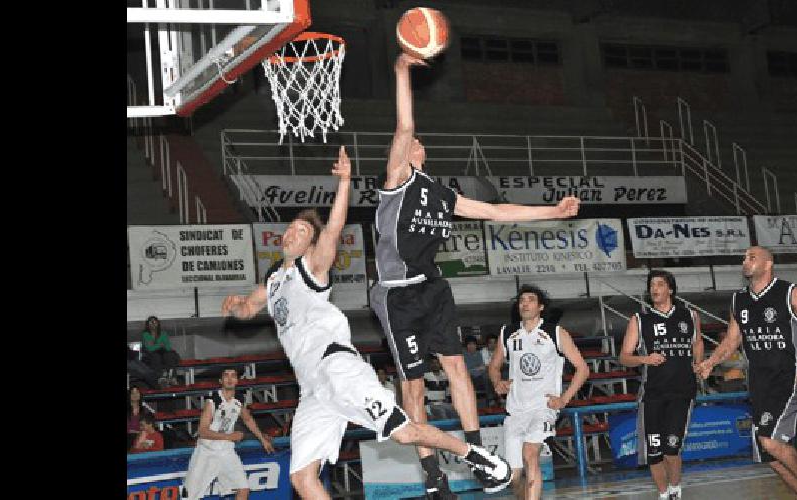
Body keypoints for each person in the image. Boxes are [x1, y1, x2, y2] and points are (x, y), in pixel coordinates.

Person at [221, 147, 512, 499]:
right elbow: (249, 309)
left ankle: (475, 455)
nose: (291, 234)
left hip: (337, 367)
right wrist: (235, 306)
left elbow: (334, 228)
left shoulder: (312, 268)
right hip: (311, 388)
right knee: (302, 478)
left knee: (404, 433)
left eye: (300, 231)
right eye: (290, 229)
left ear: (311, 244)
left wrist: (344, 182)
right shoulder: (272, 283)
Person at [368, 52, 579, 499]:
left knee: (459, 370)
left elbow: (495, 210)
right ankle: (433, 477)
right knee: (414, 388)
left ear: (424, 153)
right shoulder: (395, 183)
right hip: (395, 296)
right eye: (409, 143)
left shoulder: (443, 195)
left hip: (432, 290)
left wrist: (552, 213)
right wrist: (402, 71)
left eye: (418, 143)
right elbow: (404, 127)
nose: (412, 144)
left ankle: (479, 453)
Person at [697, 246, 797, 500]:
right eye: (744, 258)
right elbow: (731, 341)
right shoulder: (738, 300)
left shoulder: (791, 293)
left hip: (792, 376)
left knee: (770, 441)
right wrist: (711, 362)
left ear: (768, 263)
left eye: (752, 257)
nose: (745, 261)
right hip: (760, 381)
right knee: (770, 456)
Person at [487, 285, 590, 500]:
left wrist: (564, 399)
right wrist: (498, 383)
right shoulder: (507, 333)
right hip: (516, 410)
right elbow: (494, 366)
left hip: (543, 408)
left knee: (530, 454)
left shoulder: (555, 332)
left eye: (530, 299)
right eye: (522, 300)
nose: (525, 303)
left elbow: (583, 368)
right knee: (514, 476)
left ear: (541, 306)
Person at [618, 270, 704, 500]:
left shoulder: (690, 315)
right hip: (652, 394)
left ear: (671, 289)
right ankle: (663, 493)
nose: (655, 289)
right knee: (654, 452)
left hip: (682, 392)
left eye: (660, 284)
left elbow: (697, 342)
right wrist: (644, 359)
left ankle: (675, 488)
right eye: (652, 285)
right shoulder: (639, 319)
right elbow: (624, 356)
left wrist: (699, 363)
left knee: (672, 448)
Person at [179, 367, 275, 500]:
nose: (230, 379)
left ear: (237, 381)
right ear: (221, 380)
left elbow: (247, 419)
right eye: (226, 376)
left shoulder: (239, 400)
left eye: (233, 376)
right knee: (189, 496)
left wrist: (262, 438)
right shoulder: (212, 402)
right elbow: (202, 431)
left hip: (226, 451)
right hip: (207, 451)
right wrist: (229, 436)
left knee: (244, 489)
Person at [140, 316, 182, 385]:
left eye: (155, 322)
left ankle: (172, 377)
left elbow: (168, 347)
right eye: (151, 322)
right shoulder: (146, 334)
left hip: (163, 355)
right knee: (156, 356)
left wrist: (155, 345)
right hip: (150, 356)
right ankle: (160, 378)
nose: (153, 324)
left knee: (169, 355)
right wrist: (160, 344)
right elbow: (150, 349)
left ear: (158, 323)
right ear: (148, 324)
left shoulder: (163, 334)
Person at [463, 337, 498, 407]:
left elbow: (482, 367)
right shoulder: (463, 355)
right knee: (485, 376)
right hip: (470, 378)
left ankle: (494, 399)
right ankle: (492, 399)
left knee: (488, 376)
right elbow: (466, 370)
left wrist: (477, 369)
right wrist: (476, 369)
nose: (471, 346)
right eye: (469, 344)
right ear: (466, 346)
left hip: (479, 377)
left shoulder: (478, 354)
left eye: (473, 344)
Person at [127, 385, 154, 451]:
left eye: (137, 392)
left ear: (140, 395)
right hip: (130, 436)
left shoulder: (144, 410)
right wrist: (138, 432)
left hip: (142, 434)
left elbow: (147, 425)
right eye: (133, 393)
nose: (135, 395)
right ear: (129, 395)